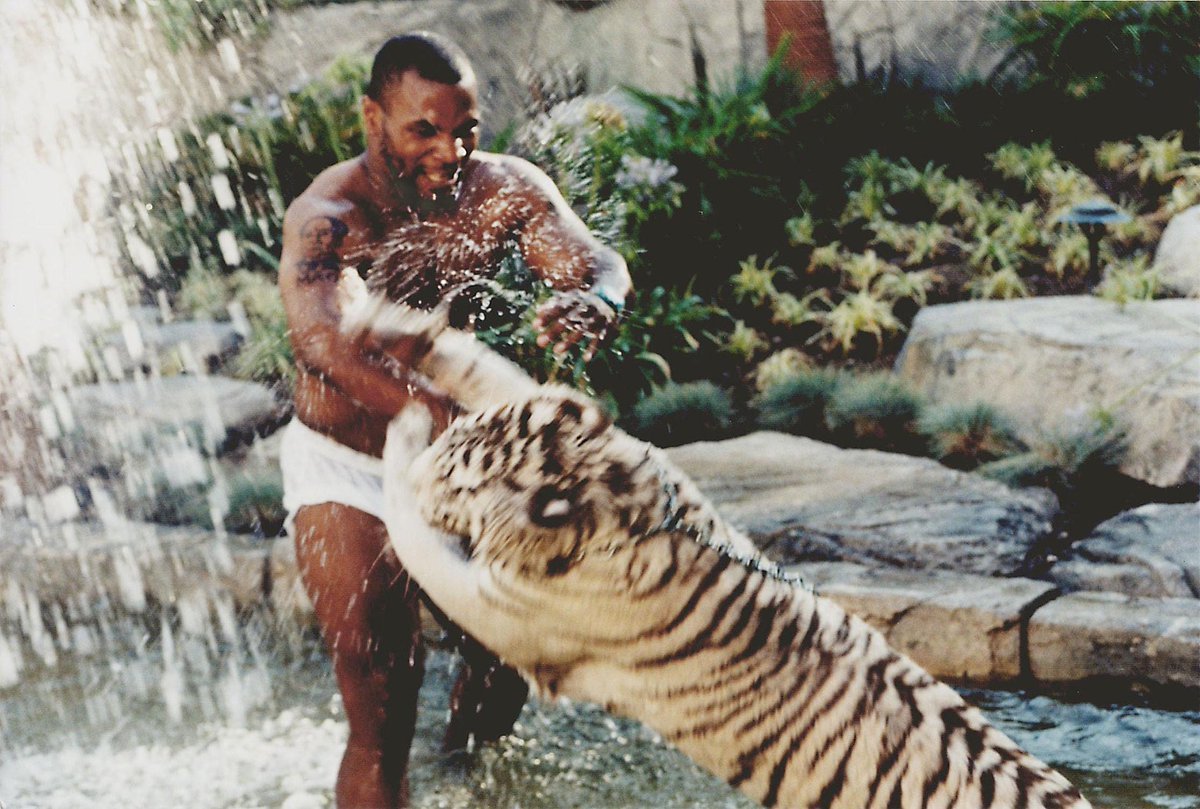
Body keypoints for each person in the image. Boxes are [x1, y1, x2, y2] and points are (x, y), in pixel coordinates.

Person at [276, 32, 631, 809]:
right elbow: (325, 346)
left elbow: (592, 258)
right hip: (348, 466)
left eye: (466, 126)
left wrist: (594, 300)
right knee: (381, 703)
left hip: (464, 461)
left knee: (507, 667)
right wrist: (439, 410)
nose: (452, 149)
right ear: (373, 118)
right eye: (424, 130)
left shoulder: (500, 189)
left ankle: (464, 770)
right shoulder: (328, 216)